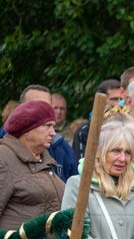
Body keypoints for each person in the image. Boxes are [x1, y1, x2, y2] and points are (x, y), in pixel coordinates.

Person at [0, 100, 65, 230]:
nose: (53, 132)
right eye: (47, 126)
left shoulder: (45, 159)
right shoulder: (3, 158)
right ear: (27, 130)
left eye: (53, 126)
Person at [9, 85, 77, 180]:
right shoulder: (6, 151)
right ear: (21, 109)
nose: (43, 112)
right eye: (36, 106)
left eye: (47, 107)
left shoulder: (64, 150)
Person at [72, 79, 126, 160]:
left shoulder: (128, 128)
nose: (118, 104)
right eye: (114, 99)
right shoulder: (85, 131)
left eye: (121, 100)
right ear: (99, 100)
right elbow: (80, 166)